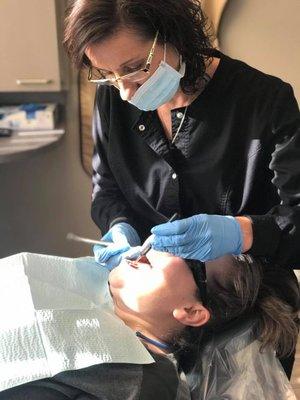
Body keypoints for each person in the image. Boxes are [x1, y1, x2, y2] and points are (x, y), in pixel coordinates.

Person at [63, 0, 300, 375]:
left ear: (173, 36)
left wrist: (242, 232)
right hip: (158, 317)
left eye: (134, 68)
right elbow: (106, 190)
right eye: (106, 73)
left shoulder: (264, 102)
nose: (124, 91)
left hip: (251, 315)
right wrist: (117, 225)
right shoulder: (112, 97)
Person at [1, 251, 299, 399]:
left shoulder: (144, 385)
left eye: (184, 253)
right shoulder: (78, 296)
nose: (147, 249)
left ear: (192, 311)